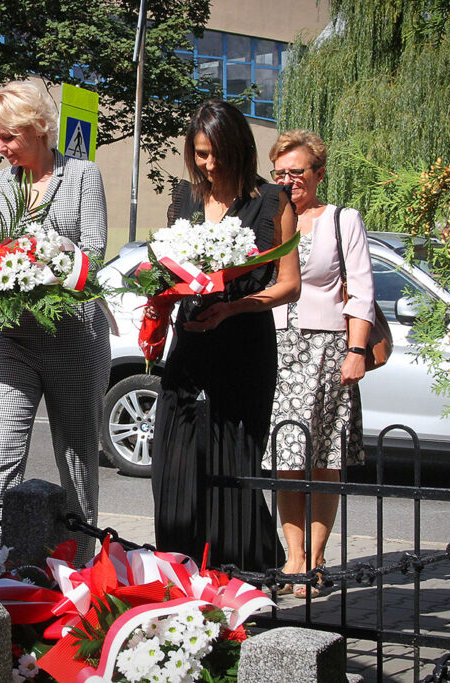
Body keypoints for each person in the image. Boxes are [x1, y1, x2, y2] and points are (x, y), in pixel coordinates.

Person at [151, 100, 301, 571]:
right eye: (199, 154)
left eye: (217, 154)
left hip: (243, 348)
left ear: (240, 149)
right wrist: (160, 295)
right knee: (175, 463)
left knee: (232, 464)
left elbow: (288, 285)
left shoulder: (273, 202)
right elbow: (166, 267)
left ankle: (240, 574)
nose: (209, 165)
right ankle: (179, 572)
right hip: (190, 346)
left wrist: (231, 307)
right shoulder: (184, 200)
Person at [0, 81, 110, 564]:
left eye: (7, 137)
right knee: (2, 456)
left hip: (75, 338)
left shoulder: (82, 176)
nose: (0, 148)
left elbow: (93, 252)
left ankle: (81, 569)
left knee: (76, 461)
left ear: (37, 129)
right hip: (14, 341)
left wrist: (43, 259)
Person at [262, 130, 375, 597]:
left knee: (324, 461)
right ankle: (293, 558)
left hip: (329, 352)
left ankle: (318, 556)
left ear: (318, 174)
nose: (289, 181)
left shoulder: (341, 220)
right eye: (280, 173)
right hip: (275, 349)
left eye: (298, 172)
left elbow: (363, 291)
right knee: (287, 461)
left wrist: (356, 351)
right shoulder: (267, 218)